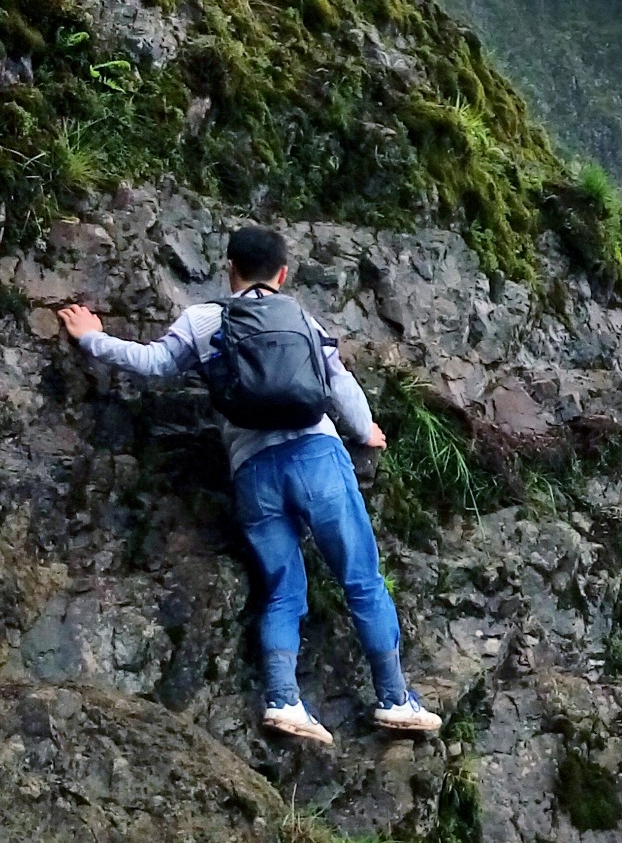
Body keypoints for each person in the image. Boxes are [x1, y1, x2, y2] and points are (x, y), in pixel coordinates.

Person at [57, 225, 441, 746]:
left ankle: (284, 701)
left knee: (284, 590)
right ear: (282, 275)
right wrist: (365, 429)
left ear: (230, 270)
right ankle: (395, 699)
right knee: (362, 580)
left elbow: (153, 364)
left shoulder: (202, 319)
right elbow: (339, 381)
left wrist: (92, 338)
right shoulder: (299, 317)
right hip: (317, 457)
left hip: (252, 473)